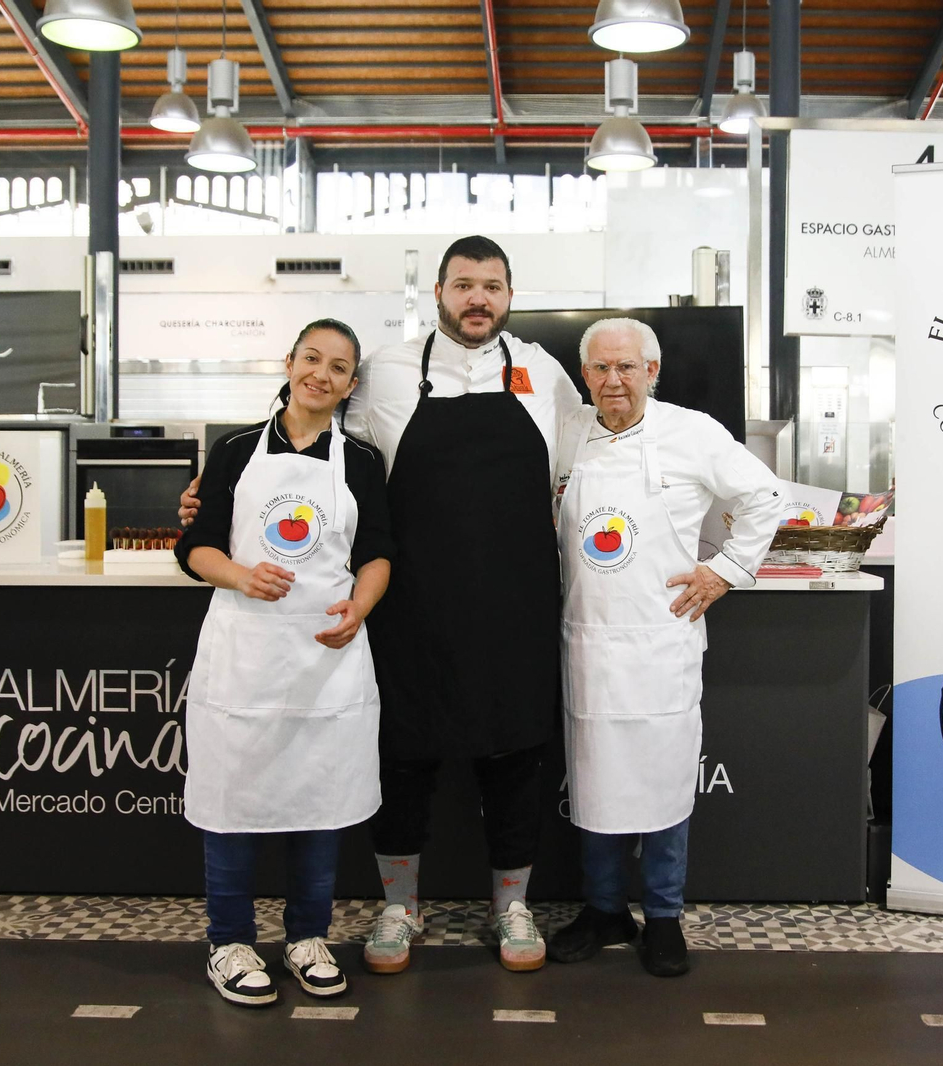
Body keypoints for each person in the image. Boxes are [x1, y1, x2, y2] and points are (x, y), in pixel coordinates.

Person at [179, 237, 578, 974]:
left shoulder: (546, 376)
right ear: (438, 291)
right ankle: (400, 908)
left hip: (516, 600)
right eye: (464, 284)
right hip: (409, 599)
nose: (477, 299)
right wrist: (219, 494)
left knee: (519, 753)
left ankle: (512, 908)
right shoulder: (390, 371)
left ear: (510, 296)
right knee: (405, 756)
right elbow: (326, 454)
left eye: (492, 286)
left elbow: (578, 468)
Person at [544, 318, 782, 977]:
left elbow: (765, 497)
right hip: (587, 641)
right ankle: (602, 910)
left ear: (653, 371)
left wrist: (725, 571)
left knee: (666, 784)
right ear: (584, 374)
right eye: (599, 369)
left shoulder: (693, 433)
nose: (612, 380)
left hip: (662, 644)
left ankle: (665, 916)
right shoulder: (567, 435)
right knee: (593, 784)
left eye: (627, 368)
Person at [174, 319, 393, 1007]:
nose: (321, 375)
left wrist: (359, 607)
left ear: (351, 384)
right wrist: (240, 575)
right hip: (248, 654)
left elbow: (378, 554)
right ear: (290, 363)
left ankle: (307, 936)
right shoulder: (234, 447)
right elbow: (194, 547)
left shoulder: (361, 459)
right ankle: (229, 941)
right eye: (311, 359)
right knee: (232, 798)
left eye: (338, 367)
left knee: (319, 799)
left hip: (327, 655)